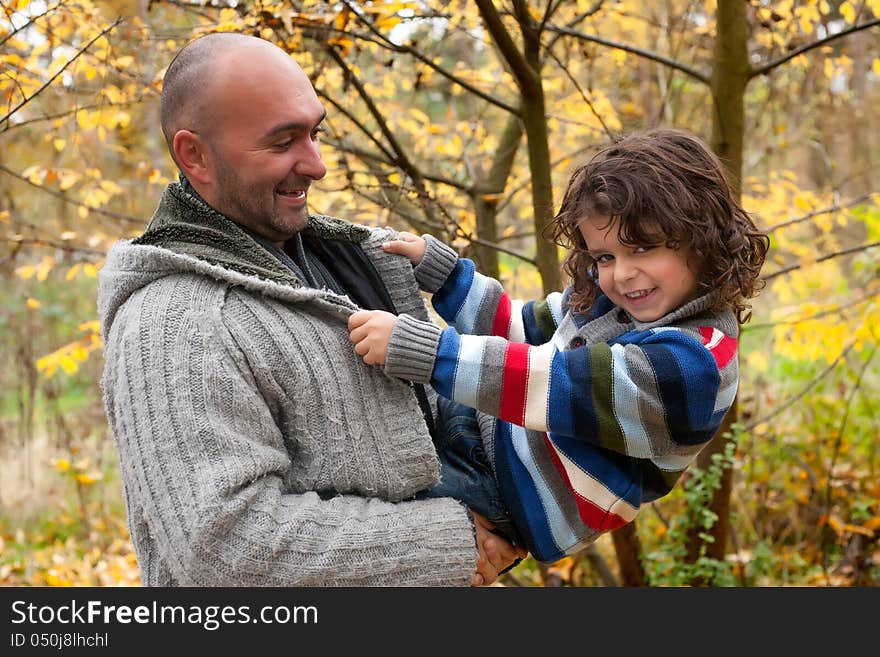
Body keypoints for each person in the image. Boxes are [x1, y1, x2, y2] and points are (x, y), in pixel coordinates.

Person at [97, 32, 525, 586]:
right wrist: (450, 543)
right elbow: (223, 549)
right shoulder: (170, 323)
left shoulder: (363, 262)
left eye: (315, 133)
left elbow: (431, 435)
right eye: (283, 143)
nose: (317, 165)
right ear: (194, 155)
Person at [348, 128, 770, 563]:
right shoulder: (608, 300)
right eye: (605, 256)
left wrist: (431, 353)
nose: (621, 274)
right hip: (485, 433)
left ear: (703, 239)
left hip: (507, 492)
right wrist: (445, 275)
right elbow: (517, 329)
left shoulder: (694, 367)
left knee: (356, 504)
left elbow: (552, 383)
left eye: (642, 248)